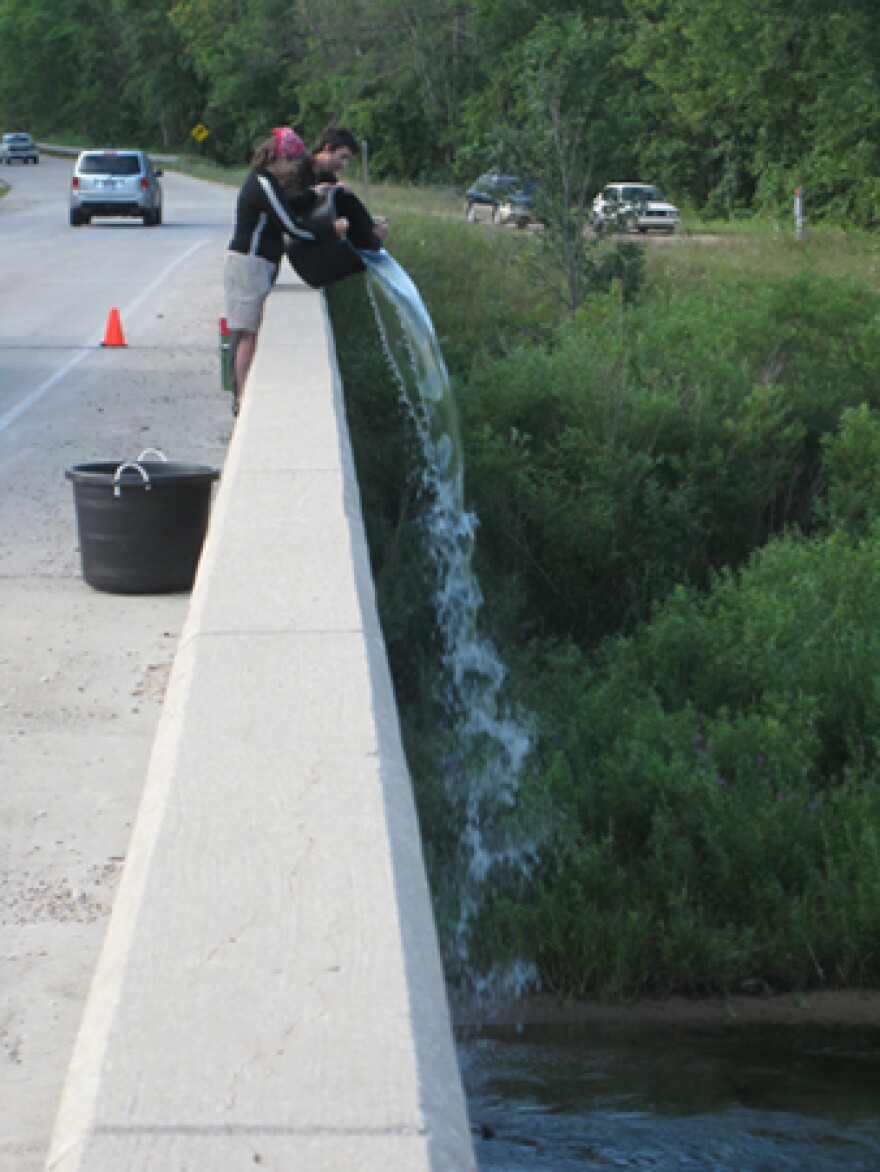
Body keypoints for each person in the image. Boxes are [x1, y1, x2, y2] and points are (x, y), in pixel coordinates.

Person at [224, 126, 346, 413]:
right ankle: (241, 398)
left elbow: (286, 208)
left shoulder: (267, 183)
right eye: (291, 162)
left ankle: (242, 394)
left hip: (259, 263)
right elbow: (291, 226)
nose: (294, 169)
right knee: (247, 333)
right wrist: (331, 230)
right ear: (275, 157)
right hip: (248, 264)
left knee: (249, 331)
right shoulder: (263, 183)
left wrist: (316, 194)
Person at [283, 125, 389, 289]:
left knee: (348, 201)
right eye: (342, 157)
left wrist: (370, 231)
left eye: (347, 159)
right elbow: (286, 207)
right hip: (275, 241)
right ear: (327, 148)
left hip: (303, 235)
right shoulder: (298, 168)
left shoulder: (326, 176)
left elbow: (346, 211)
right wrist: (319, 195)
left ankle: (371, 236)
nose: (344, 164)